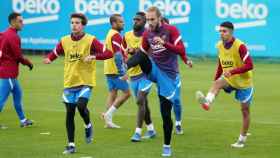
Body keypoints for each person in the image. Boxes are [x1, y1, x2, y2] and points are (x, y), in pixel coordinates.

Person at [43, 13, 113, 154]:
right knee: (70, 112)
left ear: (83, 25)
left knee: (81, 106)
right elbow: (55, 52)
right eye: (72, 22)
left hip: (85, 81)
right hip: (69, 82)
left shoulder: (91, 40)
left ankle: (88, 125)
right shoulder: (64, 40)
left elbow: (109, 53)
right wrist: (50, 59)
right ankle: (71, 144)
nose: (74, 25)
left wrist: (94, 56)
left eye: (77, 23)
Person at [126, 7, 192, 157]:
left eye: (152, 19)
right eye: (147, 20)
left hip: (169, 76)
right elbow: (142, 53)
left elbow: (181, 49)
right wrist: (128, 63)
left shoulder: (171, 30)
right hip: (154, 69)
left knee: (165, 114)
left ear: (159, 18)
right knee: (142, 56)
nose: (149, 23)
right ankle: (125, 67)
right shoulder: (147, 33)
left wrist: (164, 43)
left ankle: (167, 146)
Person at [196, 21, 254, 148]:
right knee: (217, 84)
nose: (221, 33)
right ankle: (207, 102)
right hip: (230, 79)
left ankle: (242, 139)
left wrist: (232, 71)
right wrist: (216, 78)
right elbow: (220, 64)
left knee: (245, 111)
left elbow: (250, 65)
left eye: (224, 31)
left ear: (231, 32)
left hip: (244, 83)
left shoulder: (240, 46)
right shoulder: (219, 46)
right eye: (220, 31)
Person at [122, 12, 156, 142]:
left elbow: (150, 53)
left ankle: (137, 132)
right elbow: (124, 52)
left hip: (146, 73)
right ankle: (151, 129)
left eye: (138, 20)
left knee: (140, 100)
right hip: (133, 75)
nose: (135, 21)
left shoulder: (149, 35)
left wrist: (135, 51)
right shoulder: (127, 36)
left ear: (144, 22)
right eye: (134, 19)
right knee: (143, 103)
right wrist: (126, 54)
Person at [0, 12, 33, 127]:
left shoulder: (4, 34)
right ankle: (23, 120)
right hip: (8, 74)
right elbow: (18, 56)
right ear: (13, 22)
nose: (22, 23)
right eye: (20, 21)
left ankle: (23, 121)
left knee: (18, 95)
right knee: (1, 99)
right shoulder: (13, 36)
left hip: (9, 73)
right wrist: (28, 63)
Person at [161, 16, 191, 135]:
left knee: (176, 100)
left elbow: (180, 51)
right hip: (160, 76)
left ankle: (178, 123)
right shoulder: (153, 38)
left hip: (173, 74)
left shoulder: (172, 38)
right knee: (165, 102)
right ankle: (165, 125)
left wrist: (186, 60)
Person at [102, 14, 131, 128]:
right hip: (115, 70)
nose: (123, 23)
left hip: (108, 68)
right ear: (114, 23)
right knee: (127, 93)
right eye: (120, 22)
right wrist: (122, 72)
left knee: (113, 93)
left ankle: (108, 122)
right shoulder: (116, 35)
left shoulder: (110, 33)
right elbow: (117, 55)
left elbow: (118, 52)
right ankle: (108, 115)